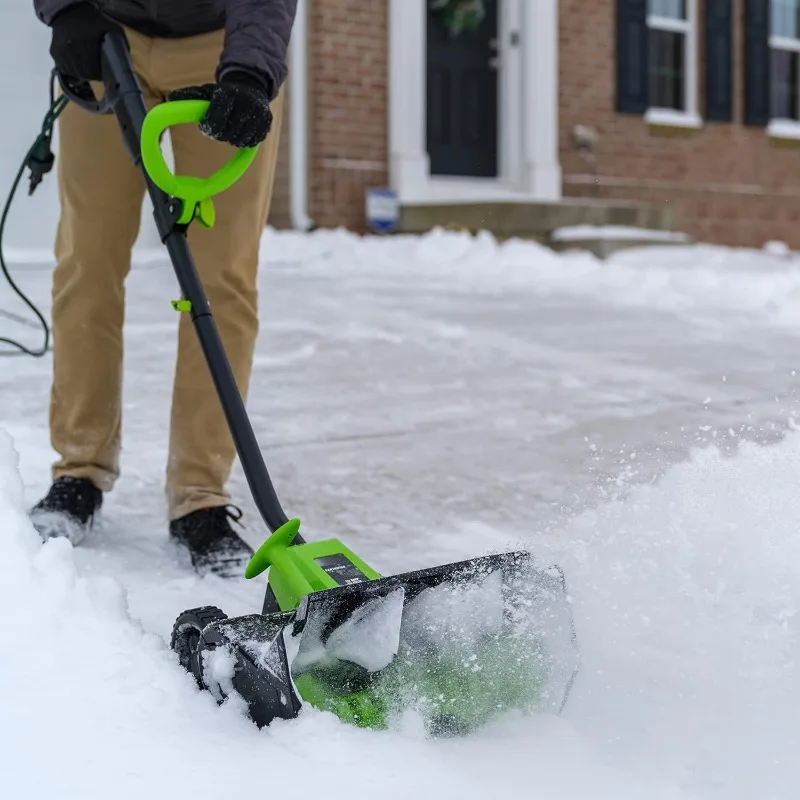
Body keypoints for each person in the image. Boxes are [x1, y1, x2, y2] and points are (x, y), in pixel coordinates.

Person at [28, 0, 297, 577]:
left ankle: (200, 496)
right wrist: (65, 9)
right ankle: (79, 469)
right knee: (87, 263)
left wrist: (250, 71)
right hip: (104, 31)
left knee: (222, 278)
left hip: (223, 41)